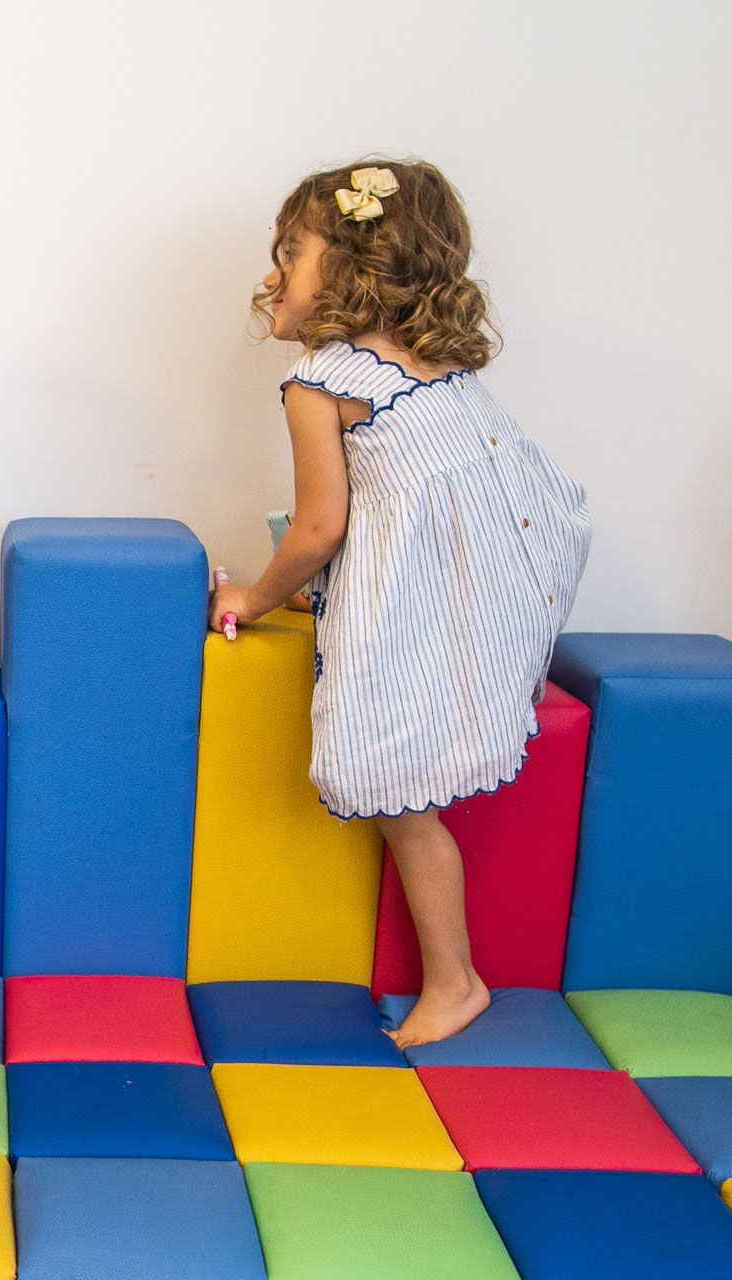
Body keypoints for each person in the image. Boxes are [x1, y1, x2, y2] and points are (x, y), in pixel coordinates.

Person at [211, 160, 590, 1047]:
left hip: (443, 592)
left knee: (392, 790)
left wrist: (252, 600)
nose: (271, 276)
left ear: (349, 270)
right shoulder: (439, 369)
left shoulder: (321, 381)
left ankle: (455, 981)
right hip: (505, 589)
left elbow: (316, 530)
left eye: (290, 255)